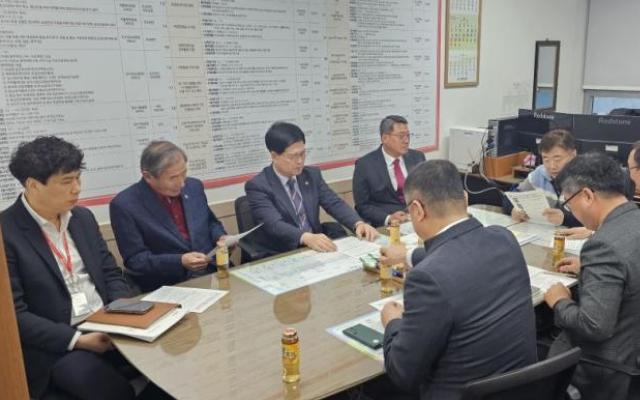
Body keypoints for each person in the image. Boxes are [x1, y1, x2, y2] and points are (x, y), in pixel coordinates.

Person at [381, 160, 537, 400]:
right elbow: (461, 254)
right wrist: (409, 255)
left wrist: (392, 323)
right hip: (523, 390)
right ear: (465, 198)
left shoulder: (427, 279)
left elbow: (403, 373)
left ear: (417, 210)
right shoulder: (504, 238)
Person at [1, 137, 135, 400]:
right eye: (67, 181)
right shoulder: (6, 232)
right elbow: (14, 315)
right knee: (112, 391)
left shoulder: (82, 218)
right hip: (57, 344)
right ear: (33, 185)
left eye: (78, 178)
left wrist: (119, 314)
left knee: (170, 362)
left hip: (109, 323)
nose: (77, 189)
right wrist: (77, 339)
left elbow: (111, 273)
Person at [544, 152, 640, 400]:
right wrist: (589, 268)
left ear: (587, 195)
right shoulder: (634, 218)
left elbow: (594, 326)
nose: (571, 211)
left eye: (568, 203)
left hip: (604, 368)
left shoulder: (603, 245)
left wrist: (559, 301)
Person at [245, 121, 378, 256]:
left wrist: (358, 223)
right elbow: (274, 224)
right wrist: (305, 237)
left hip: (314, 248)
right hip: (282, 251)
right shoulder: (258, 186)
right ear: (274, 156)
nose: (299, 161)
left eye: (302, 154)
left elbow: (333, 203)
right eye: (292, 156)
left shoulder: (311, 175)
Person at [110, 141, 227, 293]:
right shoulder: (125, 205)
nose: (182, 183)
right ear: (148, 176)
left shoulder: (194, 186)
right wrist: (179, 261)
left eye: (184, 173)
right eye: (173, 178)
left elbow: (210, 223)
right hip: (168, 284)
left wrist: (221, 237)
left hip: (213, 272)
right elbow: (136, 260)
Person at [352, 115, 425, 227]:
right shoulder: (365, 165)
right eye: (401, 136)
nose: (406, 140)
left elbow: (426, 192)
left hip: (417, 220)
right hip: (386, 226)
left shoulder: (418, 157)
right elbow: (362, 206)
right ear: (385, 138)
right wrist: (388, 218)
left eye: (408, 135)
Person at [504, 129, 580, 226]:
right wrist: (513, 209)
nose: (552, 166)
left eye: (557, 159)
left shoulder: (585, 179)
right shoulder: (539, 174)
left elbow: (595, 220)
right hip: (543, 230)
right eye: (546, 159)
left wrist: (565, 219)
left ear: (573, 155)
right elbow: (509, 198)